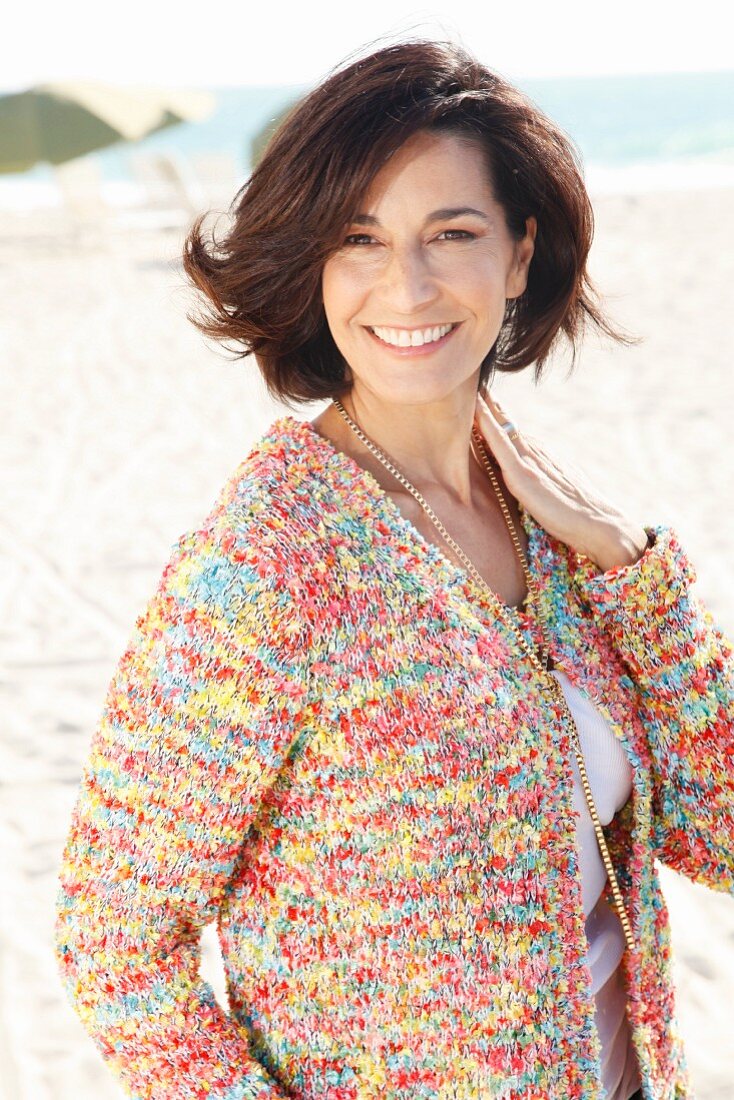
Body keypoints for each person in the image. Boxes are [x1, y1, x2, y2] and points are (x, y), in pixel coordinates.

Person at [54, 37, 733, 1100]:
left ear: (518, 253)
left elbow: (718, 827)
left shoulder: (557, 532)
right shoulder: (268, 560)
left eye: (448, 232)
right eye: (357, 238)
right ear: (313, 264)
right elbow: (117, 945)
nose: (402, 283)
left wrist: (632, 570)